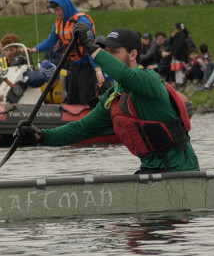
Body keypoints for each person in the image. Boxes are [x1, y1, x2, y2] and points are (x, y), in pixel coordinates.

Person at [18, 26, 199, 172]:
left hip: (181, 170)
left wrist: (91, 47)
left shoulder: (149, 80)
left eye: (114, 51)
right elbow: (81, 129)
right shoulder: (113, 97)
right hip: (150, 170)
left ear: (133, 54)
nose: (108, 56)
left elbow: (123, 74)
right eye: (107, 52)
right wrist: (40, 136)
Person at [30, 0, 97, 106]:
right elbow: (51, 41)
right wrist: (34, 50)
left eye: (58, 9)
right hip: (72, 67)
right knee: (72, 99)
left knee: (86, 100)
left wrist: (97, 69)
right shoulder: (58, 24)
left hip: (86, 68)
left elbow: (89, 47)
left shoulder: (82, 21)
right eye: (55, 10)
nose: (57, 13)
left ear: (65, 6)